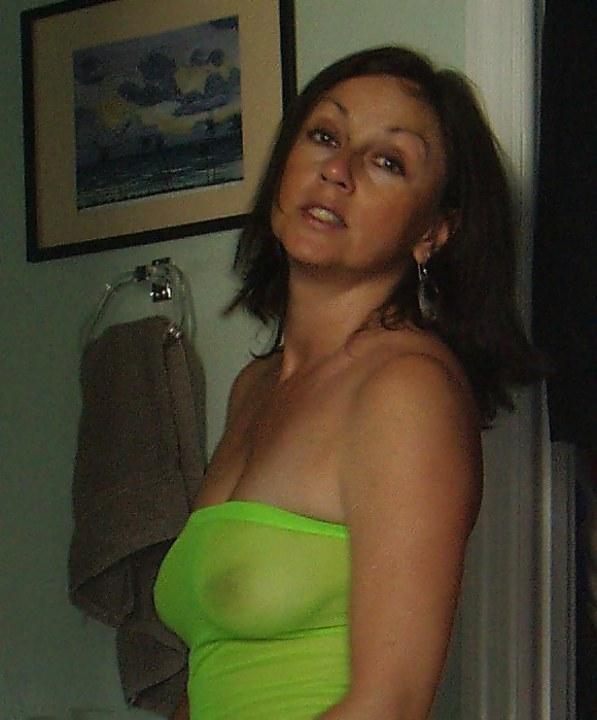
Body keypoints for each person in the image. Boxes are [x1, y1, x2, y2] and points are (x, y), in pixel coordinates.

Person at [154, 45, 543, 720]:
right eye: (325, 136)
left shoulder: (407, 389)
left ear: (433, 231)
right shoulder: (254, 387)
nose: (337, 170)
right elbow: (214, 672)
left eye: (387, 161)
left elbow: (388, 704)